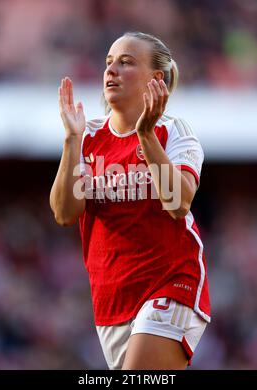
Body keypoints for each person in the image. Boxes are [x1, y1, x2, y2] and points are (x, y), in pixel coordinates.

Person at [50, 31, 211, 370]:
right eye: (109, 62)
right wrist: (71, 140)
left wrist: (146, 134)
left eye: (126, 63)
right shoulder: (89, 136)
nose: (111, 71)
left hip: (171, 282)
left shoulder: (175, 132)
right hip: (111, 299)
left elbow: (177, 203)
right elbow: (65, 213)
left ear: (156, 79)